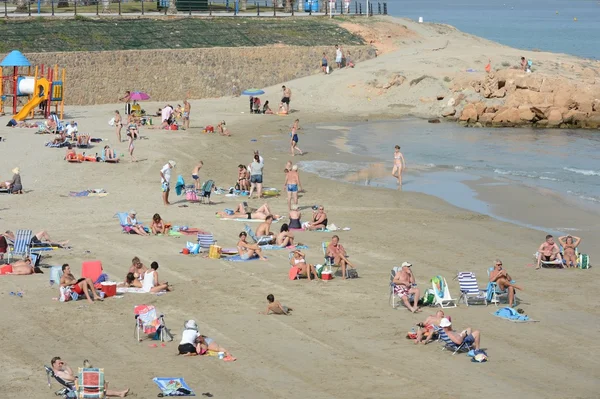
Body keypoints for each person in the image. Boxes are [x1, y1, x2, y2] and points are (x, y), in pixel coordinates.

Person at [50, 357, 129, 397]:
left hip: (78, 383)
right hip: (77, 386)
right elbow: (72, 378)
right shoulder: (60, 374)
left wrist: (66, 365)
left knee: (100, 387)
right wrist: (80, 378)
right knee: (98, 387)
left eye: (61, 362)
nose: (61, 364)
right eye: (59, 363)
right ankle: (119, 393)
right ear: (54, 364)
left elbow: (71, 374)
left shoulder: (60, 371)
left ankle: (119, 394)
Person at [4, 229, 69, 247]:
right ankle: (60, 243)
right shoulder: (13, 239)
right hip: (31, 243)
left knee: (43, 232)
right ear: (9, 234)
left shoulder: (13, 239)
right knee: (47, 242)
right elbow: (5, 234)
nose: (13, 233)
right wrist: (5, 234)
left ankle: (53, 241)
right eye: (11, 233)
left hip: (31, 241)